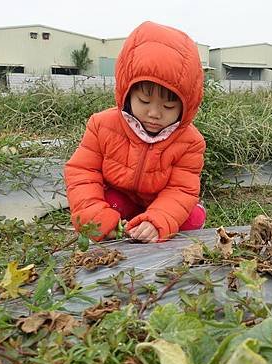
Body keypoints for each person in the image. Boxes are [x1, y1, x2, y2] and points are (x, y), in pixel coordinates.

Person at [64, 21, 206, 243]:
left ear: (186, 105)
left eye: (168, 107)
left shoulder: (190, 141)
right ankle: (125, 222)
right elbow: (82, 172)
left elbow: (181, 188)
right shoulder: (102, 125)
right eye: (144, 100)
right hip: (121, 197)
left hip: (160, 199)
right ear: (127, 92)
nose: (154, 113)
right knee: (111, 206)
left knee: (191, 218)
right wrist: (96, 216)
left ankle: (145, 224)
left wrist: (158, 220)